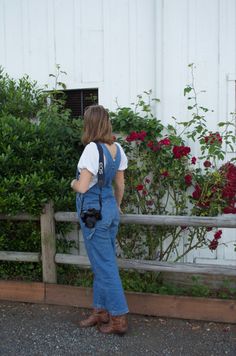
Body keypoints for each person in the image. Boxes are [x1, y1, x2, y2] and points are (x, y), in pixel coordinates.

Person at [71, 105, 129, 335]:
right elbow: (120, 185)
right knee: (101, 262)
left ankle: (119, 318)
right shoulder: (117, 148)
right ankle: (101, 311)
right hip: (110, 210)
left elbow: (83, 186)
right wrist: (117, 206)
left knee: (104, 265)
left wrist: (72, 184)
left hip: (93, 213)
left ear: (90, 124)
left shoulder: (91, 150)